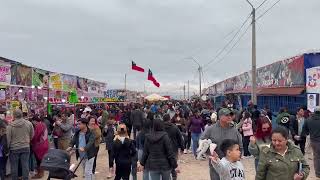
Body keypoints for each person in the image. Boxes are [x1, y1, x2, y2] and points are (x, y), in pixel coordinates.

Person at [201, 108, 243, 180]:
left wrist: (238, 157)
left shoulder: (234, 131)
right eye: (227, 115)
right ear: (220, 117)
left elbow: (240, 146)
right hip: (216, 165)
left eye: (230, 115)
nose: (229, 117)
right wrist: (210, 152)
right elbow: (202, 143)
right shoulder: (210, 129)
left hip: (232, 166)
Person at [6, 109, 34, 180]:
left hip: (14, 148)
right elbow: (32, 135)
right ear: (21, 114)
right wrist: (27, 140)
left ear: (14, 115)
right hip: (26, 147)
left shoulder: (10, 126)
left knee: (14, 167)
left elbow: (8, 139)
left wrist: (7, 148)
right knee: (25, 165)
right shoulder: (29, 123)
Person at [163, 114, 184, 180]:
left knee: (165, 164)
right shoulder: (175, 127)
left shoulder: (160, 127)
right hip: (173, 148)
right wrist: (182, 148)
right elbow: (180, 138)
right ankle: (174, 177)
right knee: (174, 163)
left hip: (163, 149)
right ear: (169, 119)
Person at [301, 106, 320, 178]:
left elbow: (304, 131)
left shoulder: (308, 120)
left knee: (317, 157)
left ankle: (318, 173)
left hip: (314, 141)